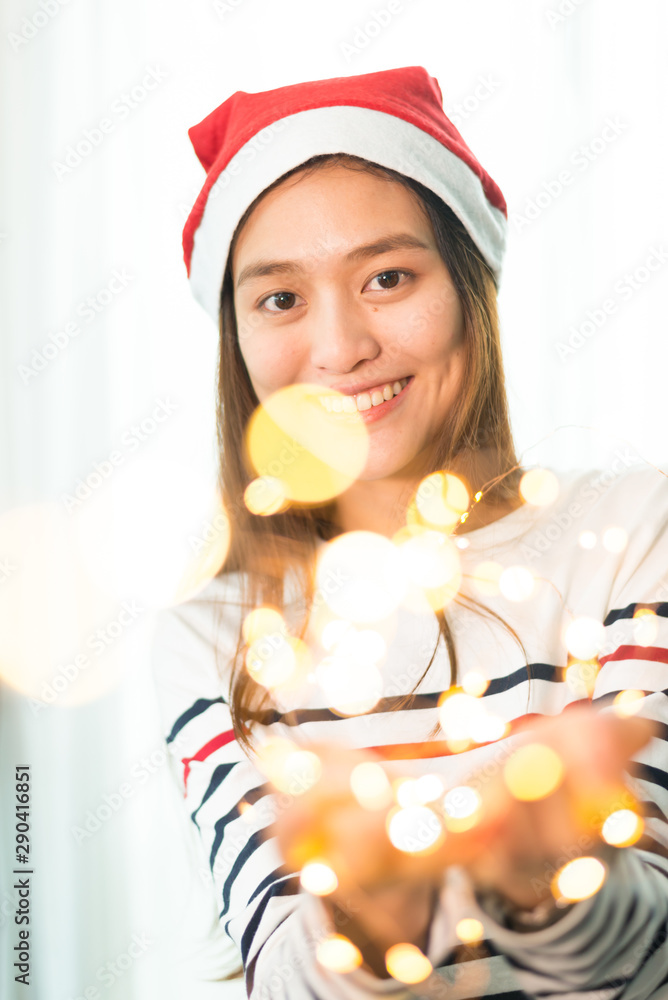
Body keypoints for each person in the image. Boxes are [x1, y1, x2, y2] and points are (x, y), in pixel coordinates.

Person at [152, 66, 668, 999]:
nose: (342, 348)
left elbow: (649, 959)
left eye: (389, 277)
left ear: (471, 284)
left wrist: (543, 879)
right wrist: (368, 913)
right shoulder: (215, 637)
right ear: (237, 338)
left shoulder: (637, 532)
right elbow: (284, 976)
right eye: (281, 299)